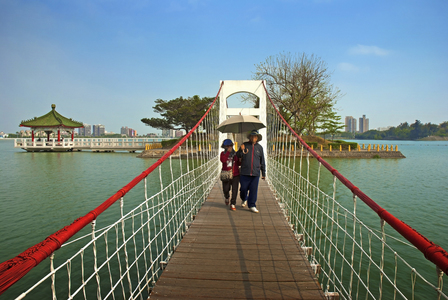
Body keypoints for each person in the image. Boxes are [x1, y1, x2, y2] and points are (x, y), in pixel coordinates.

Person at [236, 130, 266, 213]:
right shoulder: (244, 145)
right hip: (244, 172)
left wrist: (264, 173)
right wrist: (241, 150)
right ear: (250, 137)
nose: (253, 138)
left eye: (255, 137)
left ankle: (252, 205)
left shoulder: (260, 148)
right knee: (243, 189)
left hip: (255, 173)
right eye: (252, 136)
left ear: (257, 138)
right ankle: (244, 198)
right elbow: (238, 156)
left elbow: (262, 160)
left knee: (253, 190)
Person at [220, 139, 240, 211]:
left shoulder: (236, 154)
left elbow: (239, 163)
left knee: (235, 190)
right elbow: (223, 160)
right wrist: (228, 152)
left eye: (231, 145)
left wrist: (241, 157)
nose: (229, 147)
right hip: (226, 174)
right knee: (226, 189)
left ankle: (233, 203)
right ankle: (226, 196)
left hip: (235, 174)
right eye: (227, 146)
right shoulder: (223, 154)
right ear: (224, 147)